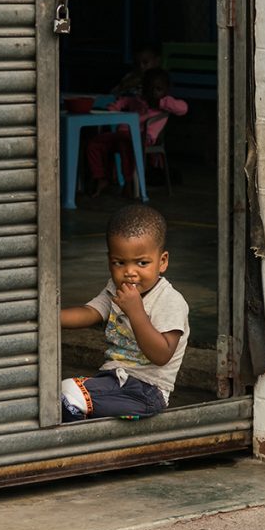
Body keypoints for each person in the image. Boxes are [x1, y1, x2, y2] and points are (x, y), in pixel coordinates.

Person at [59, 205, 189, 422]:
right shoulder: (115, 289)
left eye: (142, 263)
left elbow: (162, 355)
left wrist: (136, 311)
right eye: (119, 263)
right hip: (114, 381)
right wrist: (48, 317)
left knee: (68, 393)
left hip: (146, 391)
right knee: (57, 395)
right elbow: (90, 312)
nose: (129, 272)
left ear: (162, 261)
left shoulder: (170, 300)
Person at [86, 68, 188, 198]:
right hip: (123, 134)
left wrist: (161, 102)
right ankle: (100, 177)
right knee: (95, 143)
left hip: (144, 138)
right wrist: (113, 108)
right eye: (150, 88)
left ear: (166, 90)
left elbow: (183, 108)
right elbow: (122, 101)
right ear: (144, 88)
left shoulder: (166, 103)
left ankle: (128, 183)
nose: (154, 92)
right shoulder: (137, 100)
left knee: (125, 142)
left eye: (158, 89)